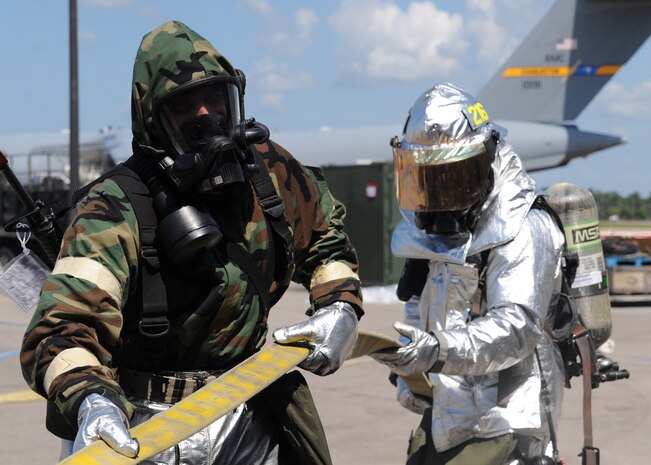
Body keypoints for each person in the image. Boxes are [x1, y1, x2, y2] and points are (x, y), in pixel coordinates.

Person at [20, 20, 363, 465]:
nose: (206, 115)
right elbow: (61, 331)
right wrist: (92, 402)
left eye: (215, 97)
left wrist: (339, 306)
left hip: (248, 416)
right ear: (153, 124)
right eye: (184, 104)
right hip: (142, 428)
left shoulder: (269, 173)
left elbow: (326, 237)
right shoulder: (113, 209)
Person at [371, 83, 566, 465]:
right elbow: (419, 301)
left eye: (452, 177)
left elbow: (517, 326)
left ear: (484, 162)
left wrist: (437, 351)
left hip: (507, 419)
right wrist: (410, 364)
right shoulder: (433, 226)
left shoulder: (524, 225)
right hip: (449, 406)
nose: (439, 194)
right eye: (428, 179)